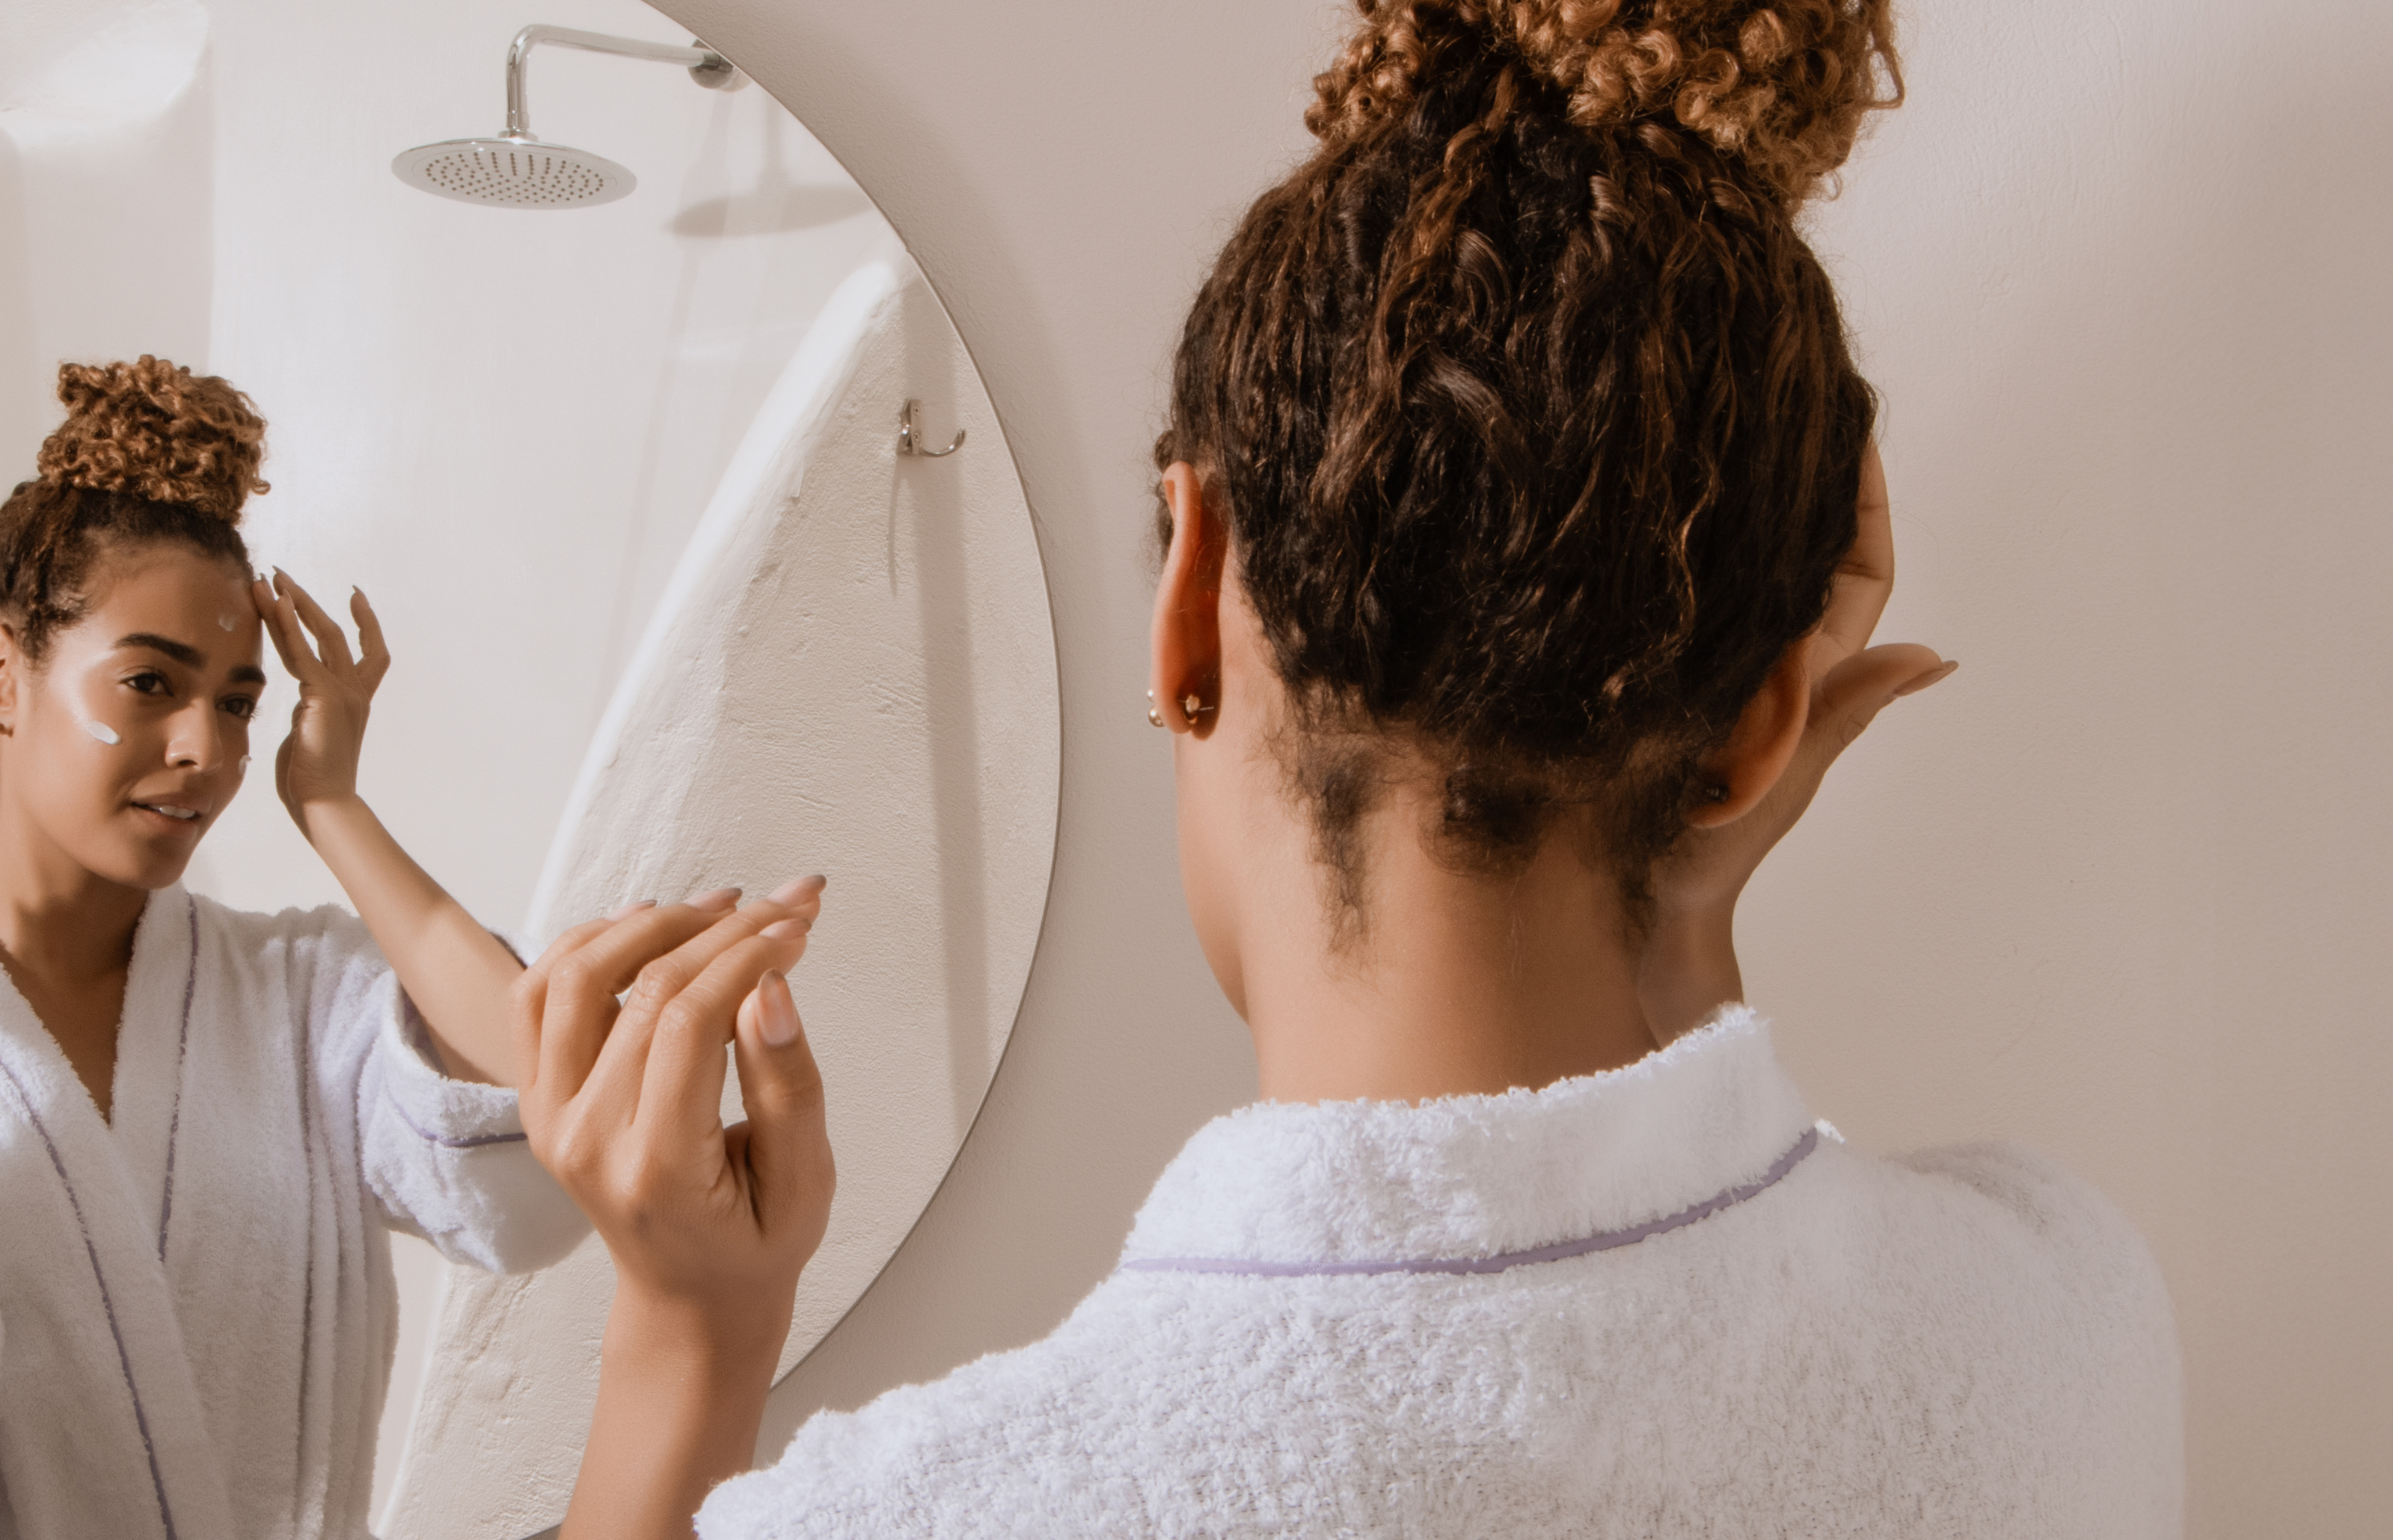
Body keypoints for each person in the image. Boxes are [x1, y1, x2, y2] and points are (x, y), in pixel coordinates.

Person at [511, 1, 2184, 1534]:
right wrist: (1677, 916)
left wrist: (686, 1344)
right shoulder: (2061, 1316)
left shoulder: (943, 1510)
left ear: (1189, 598)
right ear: (1755, 729)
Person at [0, 357, 713, 1539]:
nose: (204, 750)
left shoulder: (298, 995)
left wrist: (332, 806)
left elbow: (551, 1121)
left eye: (235, 702)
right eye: (152, 681)